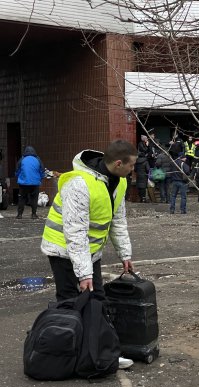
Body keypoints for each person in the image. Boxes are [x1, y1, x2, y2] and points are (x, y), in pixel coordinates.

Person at [40, 139, 137, 370]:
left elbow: (118, 220)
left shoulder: (119, 182)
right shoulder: (79, 184)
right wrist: (84, 274)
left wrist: (125, 254)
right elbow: (75, 232)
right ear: (118, 163)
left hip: (90, 251)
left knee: (97, 300)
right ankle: (68, 354)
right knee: (69, 300)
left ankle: (99, 352)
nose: (134, 169)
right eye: (132, 165)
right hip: (63, 249)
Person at [15, 146, 45, 219]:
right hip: (35, 183)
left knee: (22, 198)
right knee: (34, 199)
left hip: (23, 183)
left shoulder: (22, 159)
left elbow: (17, 171)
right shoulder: (38, 159)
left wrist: (19, 178)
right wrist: (40, 179)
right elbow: (42, 171)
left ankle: (19, 215)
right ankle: (34, 214)